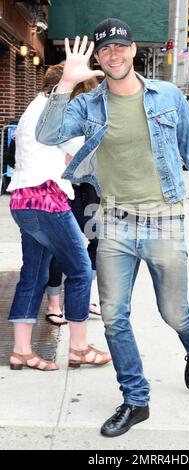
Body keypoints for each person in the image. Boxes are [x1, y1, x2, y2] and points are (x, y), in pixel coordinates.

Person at [36, 18, 189, 436]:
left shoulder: (167, 96)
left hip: (163, 219)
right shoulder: (87, 104)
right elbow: (46, 133)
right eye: (105, 49)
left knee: (173, 312)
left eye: (120, 47)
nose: (114, 54)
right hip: (113, 222)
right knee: (113, 317)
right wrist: (63, 86)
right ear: (98, 56)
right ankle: (135, 399)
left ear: (132, 50)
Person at [7, 62, 111, 371]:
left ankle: (21, 351)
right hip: (47, 201)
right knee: (80, 270)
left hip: (24, 201)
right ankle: (79, 348)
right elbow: (84, 151)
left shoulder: (34, 107)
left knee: (34, 274)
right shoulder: (56, 111)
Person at [45, 77, 101, 325]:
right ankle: (54, 302)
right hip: (62, 188)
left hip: (89, 189)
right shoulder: (57, 116)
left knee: (98, 240)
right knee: (63, 244)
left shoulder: (96, 117)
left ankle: (82, 295)